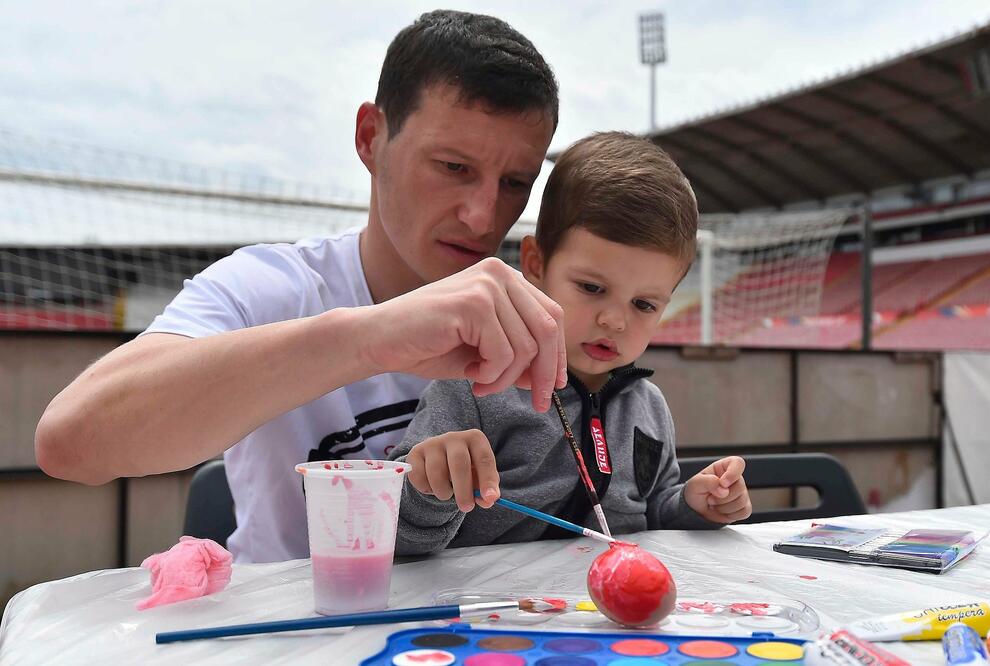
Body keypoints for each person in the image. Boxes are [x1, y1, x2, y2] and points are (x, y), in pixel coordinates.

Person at [34, 10, 565, 564]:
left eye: (515, 183)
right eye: (453, 167)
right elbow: (70, 441)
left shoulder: (539, 317)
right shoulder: (273, 288)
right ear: (370, 138)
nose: (484, 216)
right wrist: (372, 338)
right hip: (285, 618)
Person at [390, 132, 752, 554]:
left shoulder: (649, 406)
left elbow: (654, 513)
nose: (614, 320)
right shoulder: (475, 383)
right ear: (535, 263)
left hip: (617, 595)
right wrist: (428, 486)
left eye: (643, 304)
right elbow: (392, 526)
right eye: (592, 288)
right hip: (493, 594)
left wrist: (694, 504)